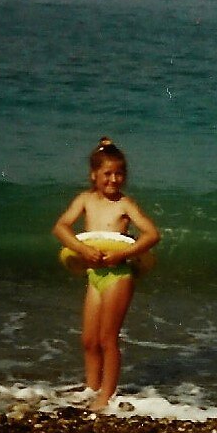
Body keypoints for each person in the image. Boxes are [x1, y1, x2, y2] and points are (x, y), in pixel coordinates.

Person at [52, 137, 161, 412]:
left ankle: (106, 396)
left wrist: (122, 255)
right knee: (89, 340)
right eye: (108, 173)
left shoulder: (125, 204)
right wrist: (82, 249)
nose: (114, 179)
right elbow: (61, 227)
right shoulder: (85, 200)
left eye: (119, 174)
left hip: (118, 274)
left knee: (107, 339)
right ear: (94, 175)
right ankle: (91, 388)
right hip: (95, 275)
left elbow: (152, 234)